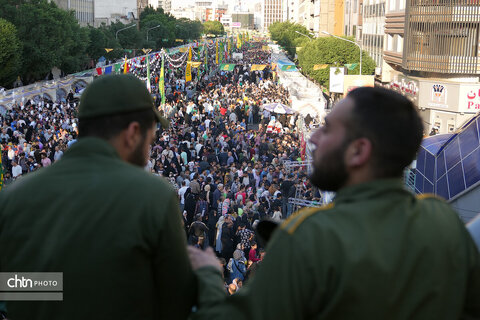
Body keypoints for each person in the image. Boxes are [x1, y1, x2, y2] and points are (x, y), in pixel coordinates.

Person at [187, 87, 480, 319]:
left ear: (358, 151)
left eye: (327, 129)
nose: (313, 137)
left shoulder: (309, 234)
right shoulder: (441, 219)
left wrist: (209, 275)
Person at [0, 74, 196, 320]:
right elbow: (176, 304)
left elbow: (10, 288)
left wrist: (59, 285)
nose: (148, 155)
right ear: (133, 132)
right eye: (151, 138)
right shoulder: (154, 196)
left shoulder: (13, 198)